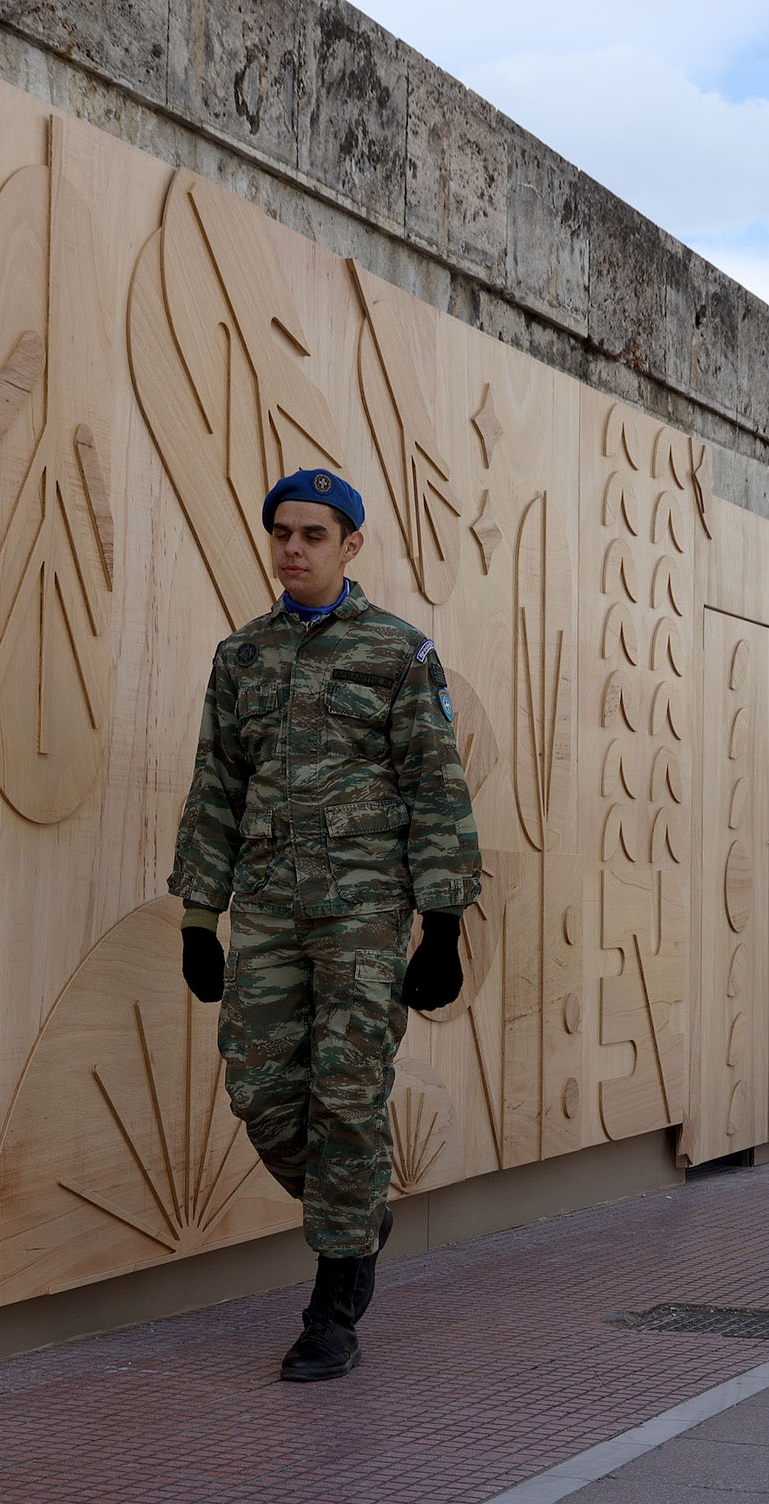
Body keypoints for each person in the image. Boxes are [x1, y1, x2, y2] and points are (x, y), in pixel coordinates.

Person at [170, 469, 481, 1381]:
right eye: (282, 534)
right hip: (269, 907)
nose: (293, 549)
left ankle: (333, 1306)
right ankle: (357, 1212)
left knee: (346, 1096)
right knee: (259, 1088)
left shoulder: (399, 653)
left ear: (351, 546)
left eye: (312, 535)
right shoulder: (242, 658)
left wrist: (443, 925)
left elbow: (436, 788)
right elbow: (217, 787)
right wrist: (199, 917)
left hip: (363, 915)